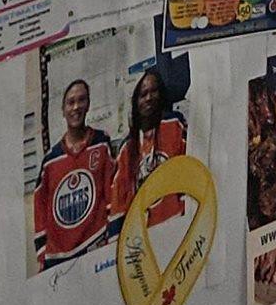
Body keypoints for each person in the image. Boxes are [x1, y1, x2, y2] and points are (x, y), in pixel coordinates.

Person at [34, 77, 116, 266]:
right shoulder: (50, 161)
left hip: (96, 246)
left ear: (88, 105)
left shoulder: (101, 143)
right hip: (59, 258)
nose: (76, 107)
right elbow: (40, 208)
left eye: (82, 100)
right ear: (63, 110)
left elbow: (112, 191)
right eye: (71, 102)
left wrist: (111, 236)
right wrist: (43, 253)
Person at [111, 65, 189, 228]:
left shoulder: (174, 125)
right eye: (143, 94)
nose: (148, 98)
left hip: (180, 223)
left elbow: (191, 170)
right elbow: (119, 201)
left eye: (153, 91)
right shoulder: (127, 149)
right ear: (135, 101)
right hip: (145, 235)